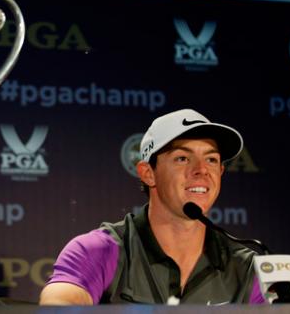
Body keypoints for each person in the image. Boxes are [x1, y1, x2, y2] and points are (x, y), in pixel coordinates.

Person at [39, 108, 265, 305]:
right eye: (182, 158)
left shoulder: (245, 268)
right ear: (148, 173)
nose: (202, 170)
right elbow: (59, 304)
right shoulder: (100, 250)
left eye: (211, 159)